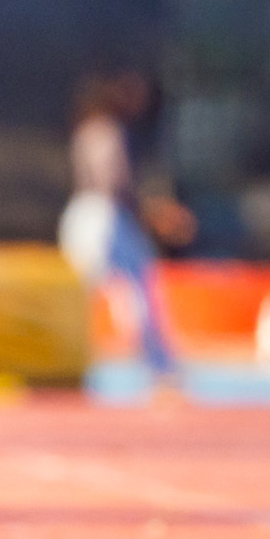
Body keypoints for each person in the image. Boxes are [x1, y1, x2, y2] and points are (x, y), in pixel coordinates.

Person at [62, 72, 194, 381]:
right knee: (138, 289)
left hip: (83, 215)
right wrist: (154, 215)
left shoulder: (89, 129)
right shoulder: (105, 131)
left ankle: (70, 359)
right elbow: (113, 185)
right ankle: (159, 364)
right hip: (102, 217)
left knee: (88, 293)